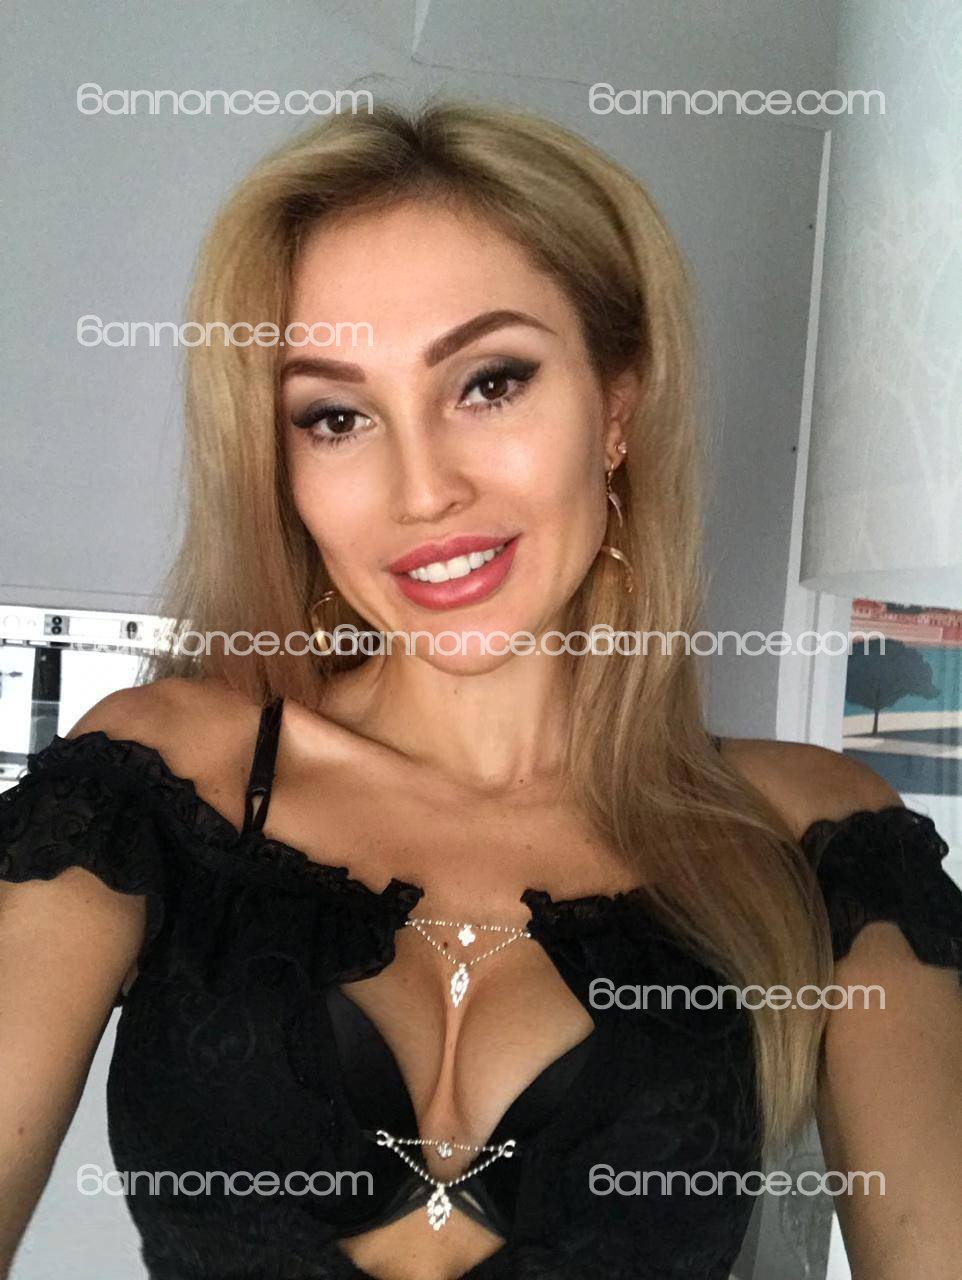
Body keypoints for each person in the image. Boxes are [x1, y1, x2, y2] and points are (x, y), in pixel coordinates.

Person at [1, 99, 960, 1280]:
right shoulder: (154, 785)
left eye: (488, 382)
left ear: (615, 407)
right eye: (336, 415)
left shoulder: (814, 840)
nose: (422, 490)